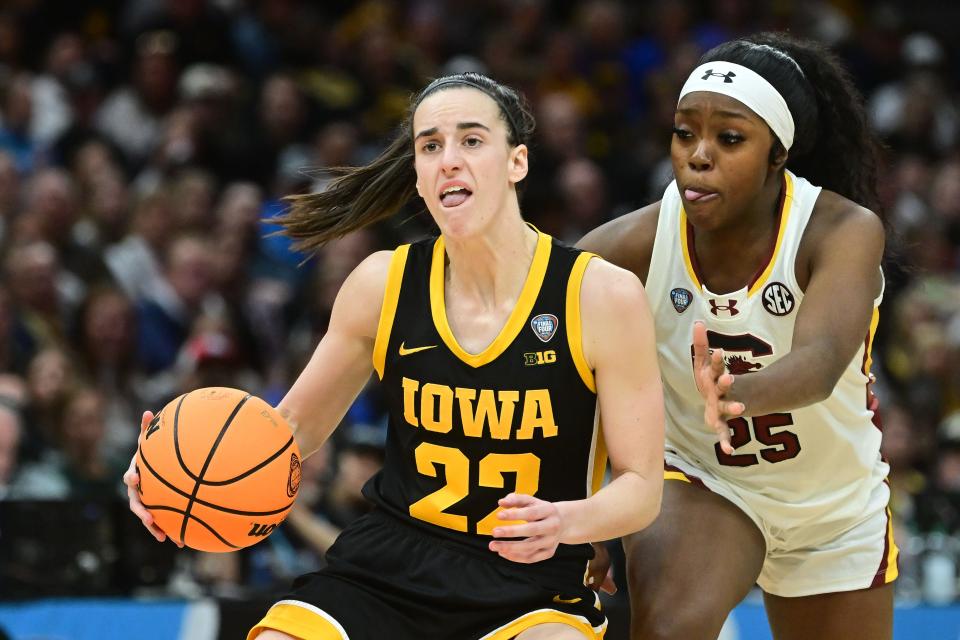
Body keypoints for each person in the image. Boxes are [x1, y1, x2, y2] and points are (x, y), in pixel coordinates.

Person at [125, 72, 664, 640]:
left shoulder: (600, 295)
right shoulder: (384, 284)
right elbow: (289, 430)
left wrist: (568, 521)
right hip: (387, 567)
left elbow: (641, 487)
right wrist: (174, 476)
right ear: (418, 173)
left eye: (472, 140)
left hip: (530, 583)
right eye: (430, 146)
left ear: (517, 163)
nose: (448, 159)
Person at [578, 32, 895, 639]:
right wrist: (580, 503)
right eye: (684, 132)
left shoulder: (840, 230)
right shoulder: (632, 245)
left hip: (832, 506)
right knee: (670, 631)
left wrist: (736, 391)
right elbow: (553, 360)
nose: (699, 155)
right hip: (706, 476)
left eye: (729, 138)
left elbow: (822, 360)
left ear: (778, 155)